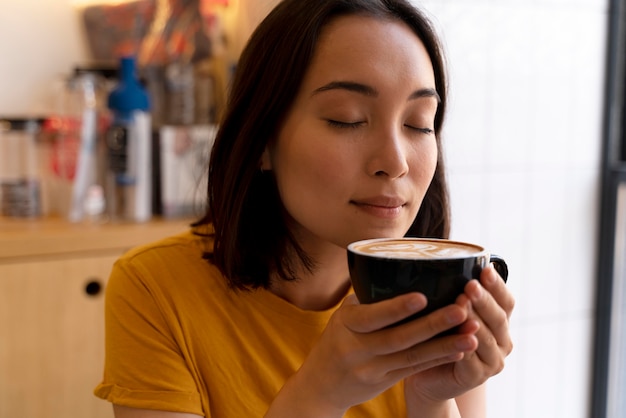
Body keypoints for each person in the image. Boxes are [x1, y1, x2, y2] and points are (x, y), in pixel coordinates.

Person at [94, 0, 515, 417]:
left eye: (419, 123)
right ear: (262, 141)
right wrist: (321, 393)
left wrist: (432, 400)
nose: (397, 161)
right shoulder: (155, 289)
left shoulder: (442, 295)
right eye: (347, 118)